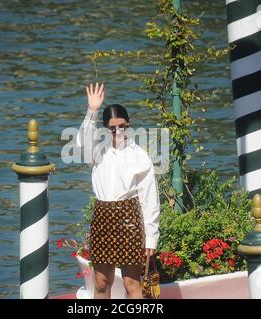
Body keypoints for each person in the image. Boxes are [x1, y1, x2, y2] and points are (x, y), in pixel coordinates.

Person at [76, 82, 160, 299]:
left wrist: (151, 238)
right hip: (103, 217)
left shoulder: (139, 156)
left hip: (129, 219)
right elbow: (81, 146)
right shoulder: (96, 152)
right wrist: (92, 111)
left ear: (128, 125)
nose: (118, 131)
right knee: (101, 283)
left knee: (132, 284)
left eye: (122, 126)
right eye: (112, 128)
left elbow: (150, 198)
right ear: (106, 129)